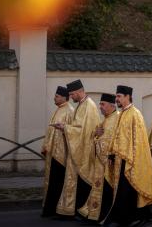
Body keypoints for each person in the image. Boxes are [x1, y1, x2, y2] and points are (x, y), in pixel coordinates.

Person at [103, 85, 152, 227]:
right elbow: (117, 136)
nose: (116, 99)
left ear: (128, 97)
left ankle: (138, 218)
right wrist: (111, 153)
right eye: (116, 97)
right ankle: (127, 218)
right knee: (124, 190)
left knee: (131, 189)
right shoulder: (122, 114)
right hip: (121, 158)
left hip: (132, 159)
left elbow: (139, 140)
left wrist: (132, 157)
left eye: (119, 96)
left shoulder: (135, 114)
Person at [54, 79, 99, 213]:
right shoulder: (81, 104)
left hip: (84, 150)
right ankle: (70, 210)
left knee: (81, 182)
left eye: (72, 94)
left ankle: (79, 210)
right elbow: (78, 128)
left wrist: (65, 127)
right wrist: (66, 128)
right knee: (73, 180)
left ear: (80, 91)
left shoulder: (89, 106)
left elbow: (83, 130)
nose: (71, 97)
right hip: (77, 148)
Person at [79, 93, 120, 223]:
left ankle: (102, 216)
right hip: (100, 163)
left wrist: (98, 139)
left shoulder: (117, 119)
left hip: (109, 164)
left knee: (107, 192)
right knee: (99, 190)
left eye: (103, 104)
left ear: (112, 105)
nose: (100, 107)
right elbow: (98, 137)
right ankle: (93, 214)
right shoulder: (106, 119)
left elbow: (111, 143)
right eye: (100, 104)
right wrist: (96, 135)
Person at [41, 86, 75, 217]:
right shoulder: (58, 110)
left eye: (56, 96)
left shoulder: (70, 111)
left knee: (58, 182)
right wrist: (46, 146)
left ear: (64, 97)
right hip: (53, 152)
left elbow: (72, 132)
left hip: (62, 154)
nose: (54, 98)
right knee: (51, 182)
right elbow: (51, 132)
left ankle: (56, 209)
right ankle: (49, 209)